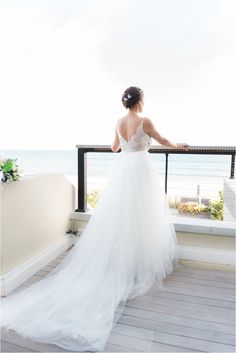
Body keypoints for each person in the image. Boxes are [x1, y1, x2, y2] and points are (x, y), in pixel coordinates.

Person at [1, 86, 189, 352]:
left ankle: (123, 262)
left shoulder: (119, 122)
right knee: (141, 218)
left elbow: (114, 148)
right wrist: (178, 145)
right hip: (140, 172)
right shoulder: (145, 121)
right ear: (140, 100)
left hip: (123, 171)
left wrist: (126, 144)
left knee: (122, 219)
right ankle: (136, 265)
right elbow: (162, 140)